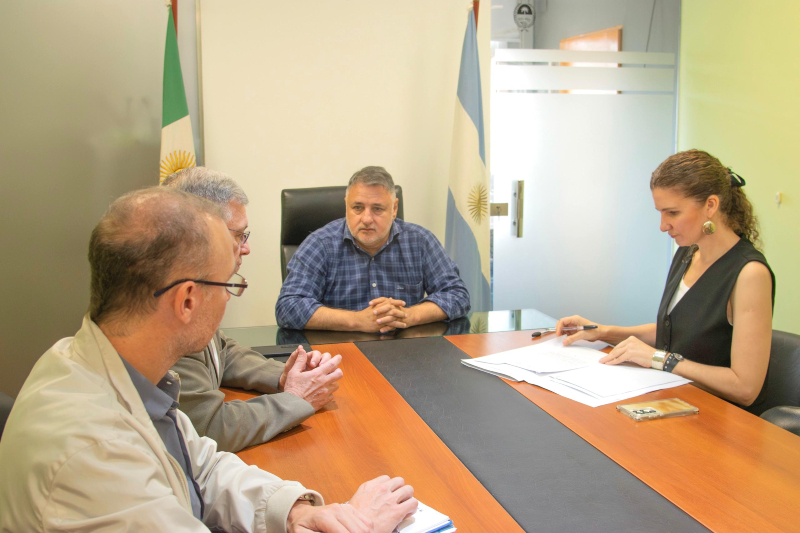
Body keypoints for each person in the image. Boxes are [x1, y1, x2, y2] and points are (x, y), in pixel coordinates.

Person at [0, 187, 416, 532]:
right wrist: (360, 527)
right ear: (186, 300)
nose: (230, 298)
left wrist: (294, 512)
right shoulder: (96, 456)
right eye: (229, 284)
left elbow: (199, 467)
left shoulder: (115, 370)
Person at [556, 149, 775, 413]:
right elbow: (677, 333)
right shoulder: (688, 253)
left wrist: (660, 359)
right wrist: (603, 332)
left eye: (672, 212)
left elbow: (745, 388)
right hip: (677, 400)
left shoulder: (749, 273)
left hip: (721, 418)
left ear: (710, 205)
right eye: (660, 212)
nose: (663, 225)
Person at [163, 167, 341, 452]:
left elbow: (221, 352)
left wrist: (283, 377)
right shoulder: (174, 302)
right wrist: (295, 399)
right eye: (238, 235)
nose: (245, 248)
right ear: (200, 231)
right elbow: (211, 428)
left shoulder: (190, 282)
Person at [276, 166, 471, 333]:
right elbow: (288, 307)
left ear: (394, 209)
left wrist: (408, 316)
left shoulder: (420, 241)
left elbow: (457, 295)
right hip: (338, 353)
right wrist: (357, 321)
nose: (367, 219)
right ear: (346, 205)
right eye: (357, 208)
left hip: (405, 352)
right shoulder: (320, 244)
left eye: (377, 209)